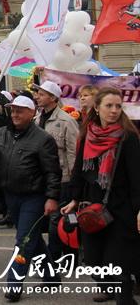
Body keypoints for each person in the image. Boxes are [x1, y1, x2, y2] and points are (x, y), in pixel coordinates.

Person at [0, 95, 61, 302]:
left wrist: (51, 198)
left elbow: (52, 172)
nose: (15, 114)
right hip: (11, 195)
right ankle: (51, 277)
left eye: (20, 110)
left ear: (32, 112)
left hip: (34, 197)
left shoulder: (43, 139)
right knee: (32, 238)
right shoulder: (3, 133)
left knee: (23, 241)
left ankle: (14, 284)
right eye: (12, 110)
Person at [62, 87, 140, 305]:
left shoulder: (128, 137)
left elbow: (137, 176)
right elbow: (79, 170)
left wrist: (138, 209)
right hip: (92, 209)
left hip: (121, 210)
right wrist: (74, 199)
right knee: (95, 260)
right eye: (109, 106)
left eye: (118, 106)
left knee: (118, 264)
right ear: (97, 108)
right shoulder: (88, 134)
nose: (114, 110)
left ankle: (125, 300)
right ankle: (114, 292)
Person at [33, 81, 79, 262]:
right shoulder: (37, 119)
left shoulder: (66, 121)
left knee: (57, 221)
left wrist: (73, 182)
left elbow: (73, 153)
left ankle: (53, 260)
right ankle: (66, 256)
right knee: (50, 220)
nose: (37, 97)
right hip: (43, 179)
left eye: (42, 94)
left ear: (53, 98)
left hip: (63, 179)